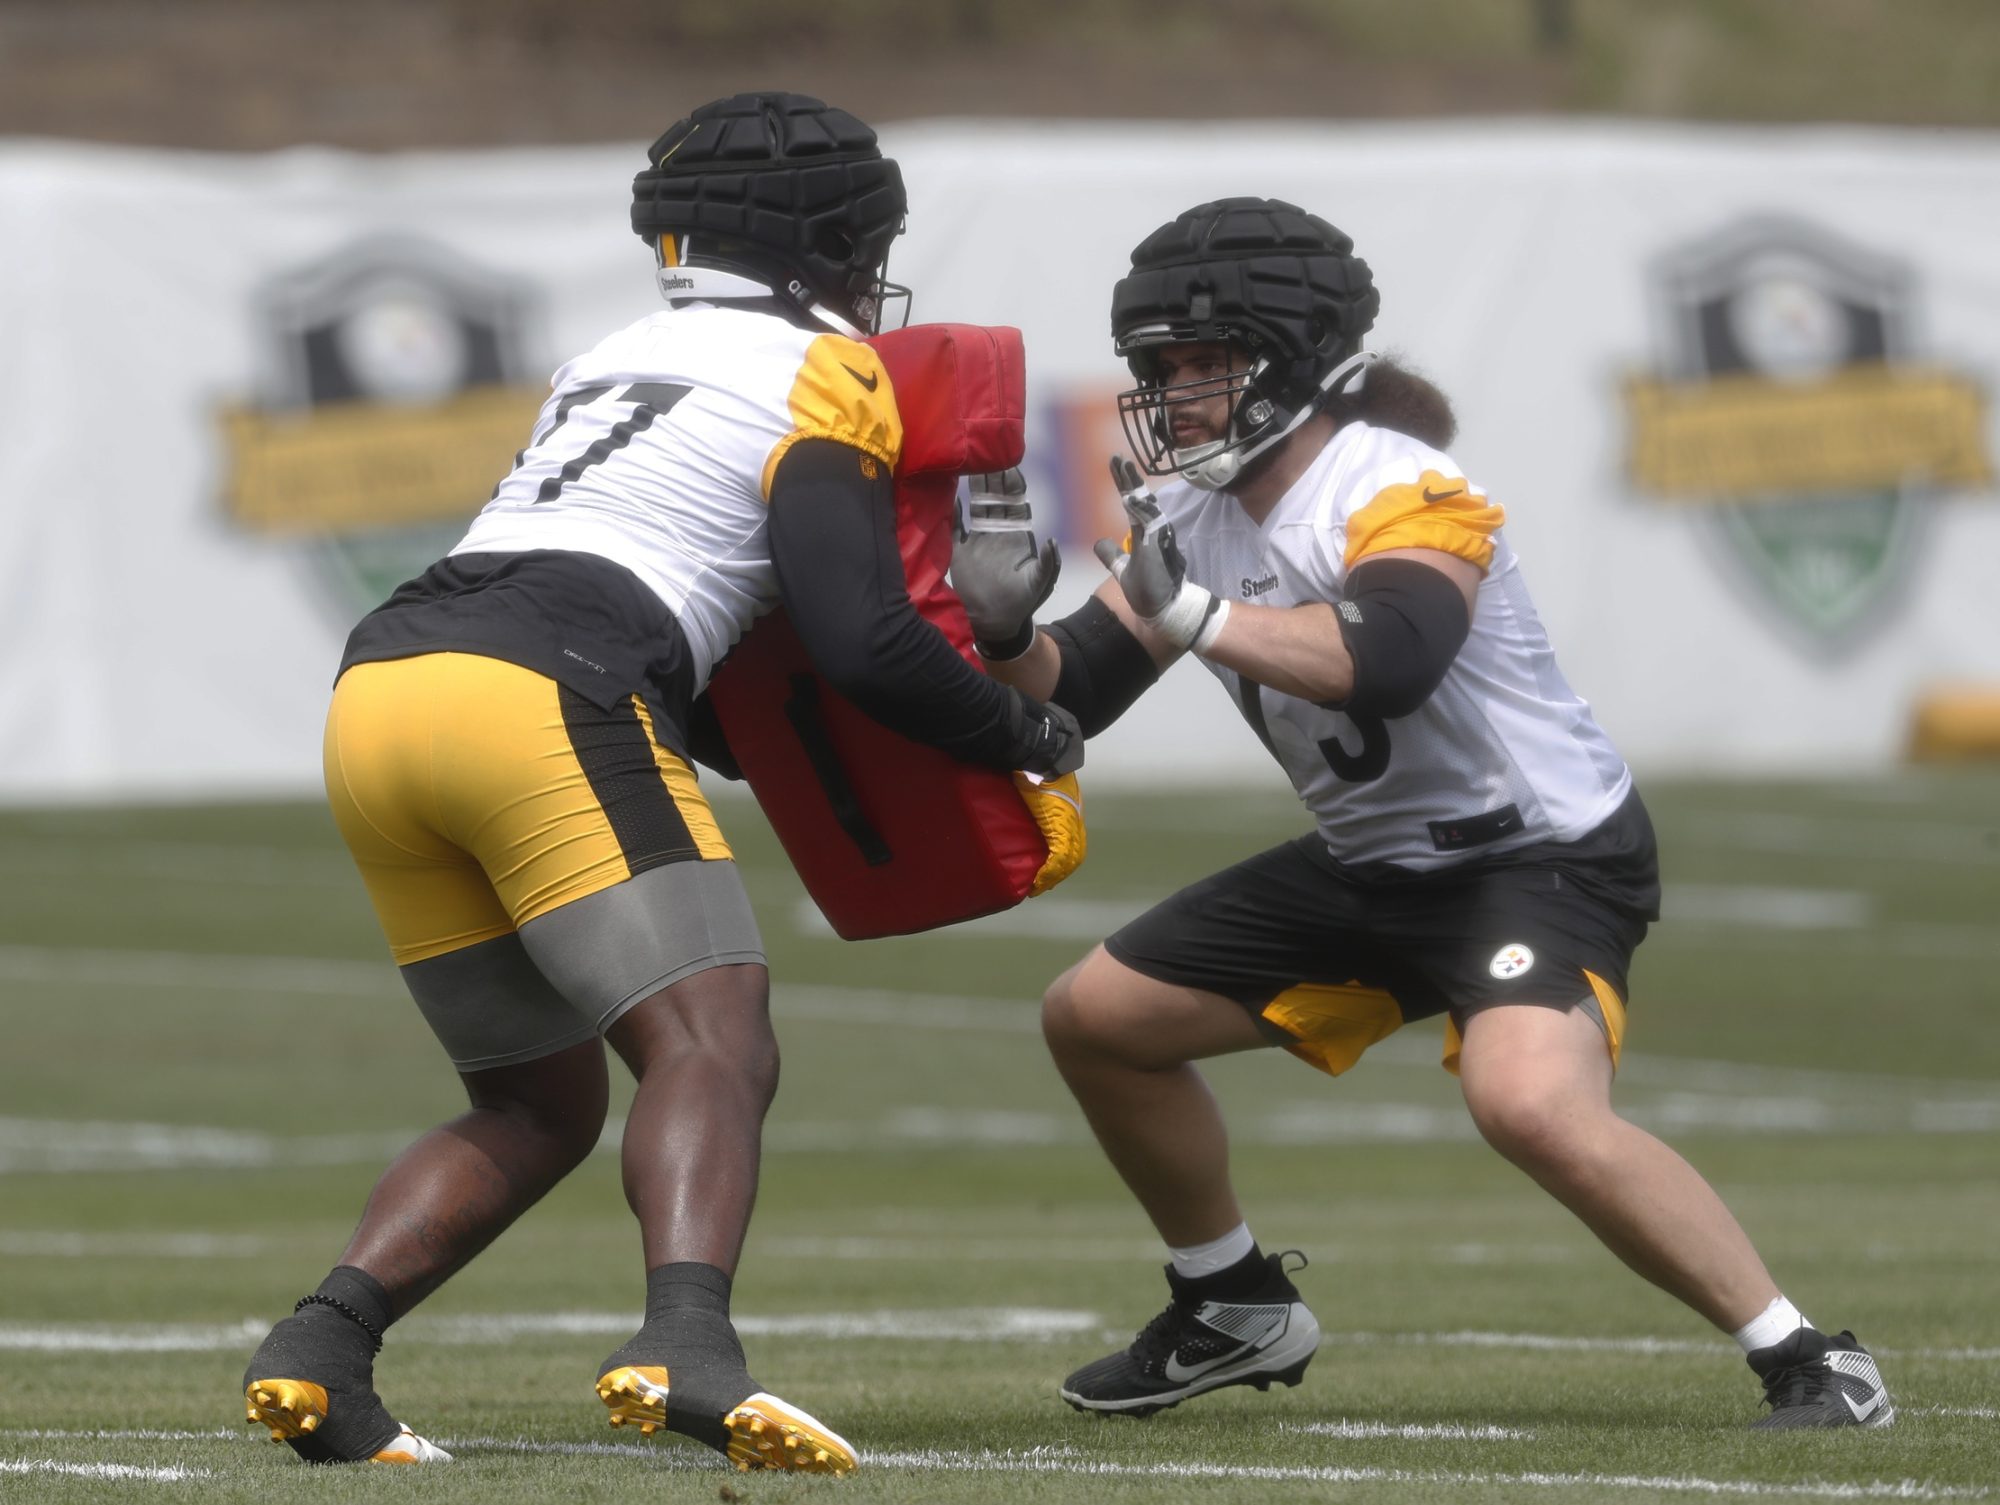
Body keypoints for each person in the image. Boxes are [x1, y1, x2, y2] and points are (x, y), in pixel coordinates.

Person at [240, 91, 1082, 1474]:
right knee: (714, 1037)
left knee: (536, 1101)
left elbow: (716, 695)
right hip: (543, 689)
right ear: (826, 244)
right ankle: (684, 1339)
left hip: (384, 691)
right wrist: (1022, 729)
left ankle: (324, 1347)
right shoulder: (830, 371)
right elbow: (865, 642)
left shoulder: (615, 354)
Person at [951, 196, 1892, 1430]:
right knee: (1097, 1017)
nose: (1176, 395)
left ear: (1289, 362)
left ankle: (1809, 1356)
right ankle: (1228, 1300)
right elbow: (1075, 691)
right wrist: (1006, 631)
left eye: (1204, 365)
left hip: (1535, 856)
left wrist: (1190, 618)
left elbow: (1387, 655)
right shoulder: (1192, 510)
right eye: (1162, 369)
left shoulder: (1396, 482)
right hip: (1374, 860)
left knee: (1528, 1103)